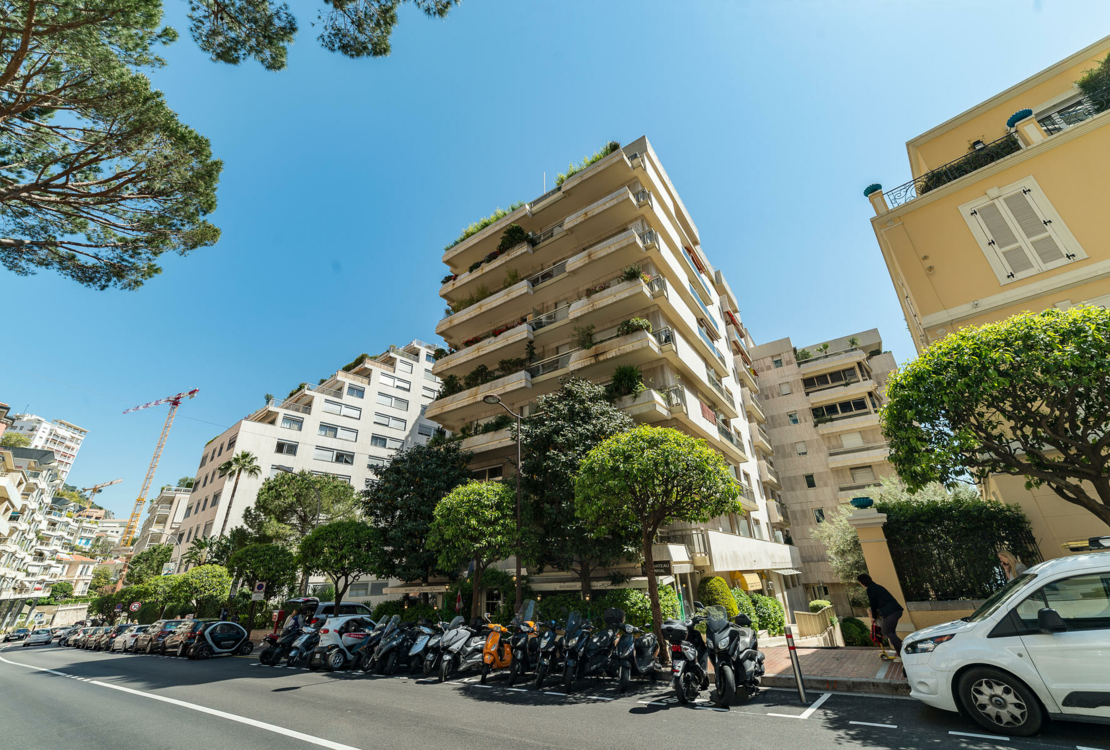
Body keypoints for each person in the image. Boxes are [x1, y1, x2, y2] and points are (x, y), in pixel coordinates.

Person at [857, 574, 905, 660]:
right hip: (897, 611)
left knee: (885, 631)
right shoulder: (877, 586)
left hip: (891, 613)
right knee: (891, 633)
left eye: (860, 582)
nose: (861, 584)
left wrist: (873, 617)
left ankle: (905, 647)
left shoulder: (870, 589)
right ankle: (902, 655)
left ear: (863, 582)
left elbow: (873, 604)